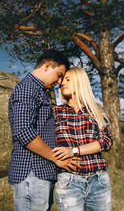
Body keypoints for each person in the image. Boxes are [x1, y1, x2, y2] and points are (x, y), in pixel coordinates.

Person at [8, 50, 81, 211]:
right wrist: (56, 158)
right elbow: (23, 131)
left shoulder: (39, 91)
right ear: (47, 66)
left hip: (39, 173)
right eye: (59, 74)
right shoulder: (28, 88)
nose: (60, 81)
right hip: (32, 173)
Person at [52, 67, 113, 211]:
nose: (62, 84)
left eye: (68, 80)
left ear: (80, 81)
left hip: (99, 180)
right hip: (68, 181)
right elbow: (48, 143)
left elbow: (106, 142)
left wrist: (73, 151)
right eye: (62, 81)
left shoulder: (97, 110)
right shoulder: (55, 112)